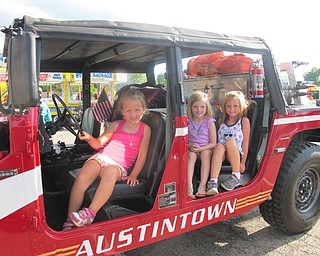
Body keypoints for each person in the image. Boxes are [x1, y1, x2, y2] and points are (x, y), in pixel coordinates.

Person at [62, 89, 151, 230]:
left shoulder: (145, 129)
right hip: (103, 157)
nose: (133, 114)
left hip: (119, 166)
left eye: (137, 110)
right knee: (83, 176)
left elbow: (142, 156)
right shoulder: (116, 125)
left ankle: (89, 214)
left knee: (110, 172)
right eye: (128, 110)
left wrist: (134, 174)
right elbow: (98, 143)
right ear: (122, 111)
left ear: (144, 110)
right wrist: (89, 138)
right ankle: (70, 219)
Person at [206, 91, 250, 195]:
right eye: (228, 106)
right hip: (222, 153)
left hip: (235, 153)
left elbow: (245, 142)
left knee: (230, 141)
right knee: (219, 146)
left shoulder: (243, 121)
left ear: (241, 107)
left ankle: (236, 175)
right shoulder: (222, 121)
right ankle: (213, 181)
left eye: (235, 106)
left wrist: (243, 162)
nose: (232, 109)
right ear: (224, 107)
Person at [187, 91, 216, 199]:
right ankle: (189, 186)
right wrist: (189, 146)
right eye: (195, 107)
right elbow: (183, 141)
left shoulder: (210, 122)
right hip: (192, 149)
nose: (199, 110)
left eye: (202, 107)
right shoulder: (187, 122)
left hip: (206, 149)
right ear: (190, 107)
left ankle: (202, 186)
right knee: (191, 155)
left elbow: (213, 143)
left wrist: (201, 148)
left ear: (207, 107)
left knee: (205, 154)